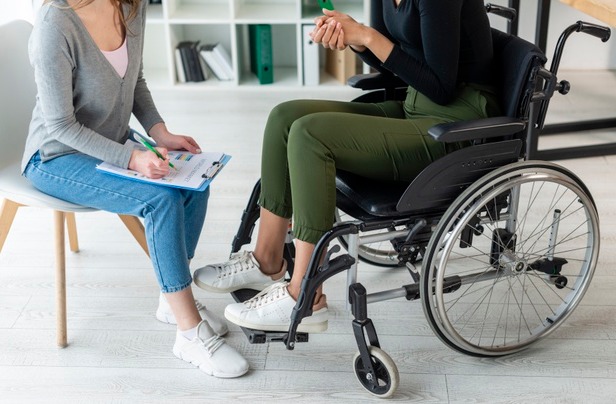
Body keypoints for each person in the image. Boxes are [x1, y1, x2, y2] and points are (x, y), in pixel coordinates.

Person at [194, 0, 501, 333]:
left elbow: (442, 88)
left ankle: (305, 297)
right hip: (414, 106)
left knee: (310, 135)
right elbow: (392, 63)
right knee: (285, 117)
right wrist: (355, 38)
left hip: (455, 128)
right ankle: (268, 260)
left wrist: (368, 37)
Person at [22, 0, 248, 378]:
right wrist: (131, 158)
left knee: (194, 185)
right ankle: (189, 333)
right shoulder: (54, 25)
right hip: (55, 156)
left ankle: (170, 298)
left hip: (110, 140)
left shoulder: (131, 5)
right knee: (160, 200)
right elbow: (60, 125)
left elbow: (134, 80)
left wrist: (160, 132)